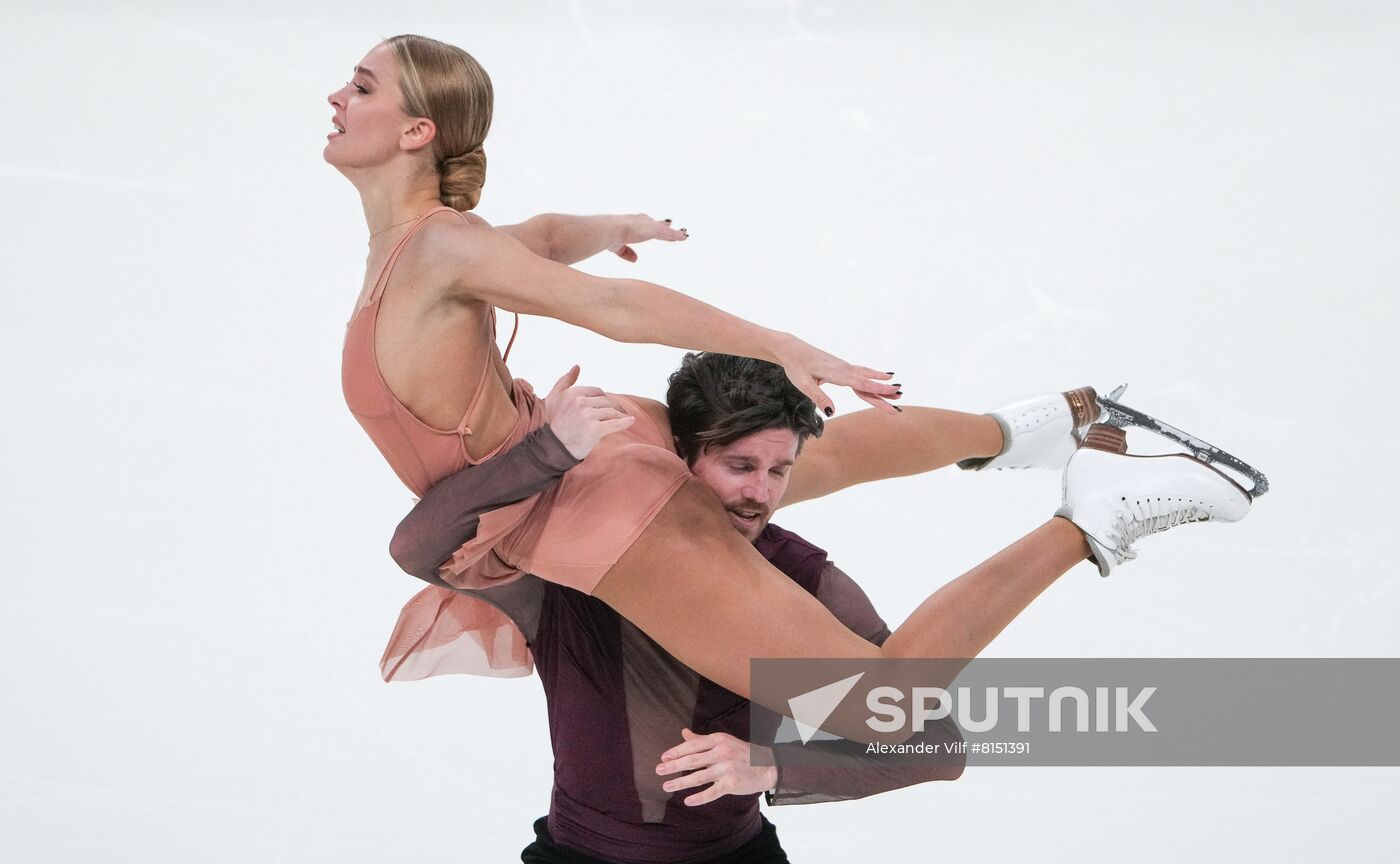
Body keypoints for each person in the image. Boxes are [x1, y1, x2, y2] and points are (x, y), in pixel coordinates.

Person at [329, 34, 1253, 737]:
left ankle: (1092, 513)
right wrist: (609, 220)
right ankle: (1056, 422)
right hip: (589, 450)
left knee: (873, 703)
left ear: (418, 132)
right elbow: (539, 236)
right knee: (827, 457)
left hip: (590, 510)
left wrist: (783, 346)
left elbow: (616, 309)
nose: (336, 95)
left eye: (361, 87)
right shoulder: (432, 243)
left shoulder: (440, 246)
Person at [388, 353, 968, 864]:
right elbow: (420, 548)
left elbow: (939, 743)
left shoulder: (803, 578)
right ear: (681, 460)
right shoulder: (571, 571)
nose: (761, 494)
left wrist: (771, 766)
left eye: (779, 471)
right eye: (740, 466)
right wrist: (550, 451)